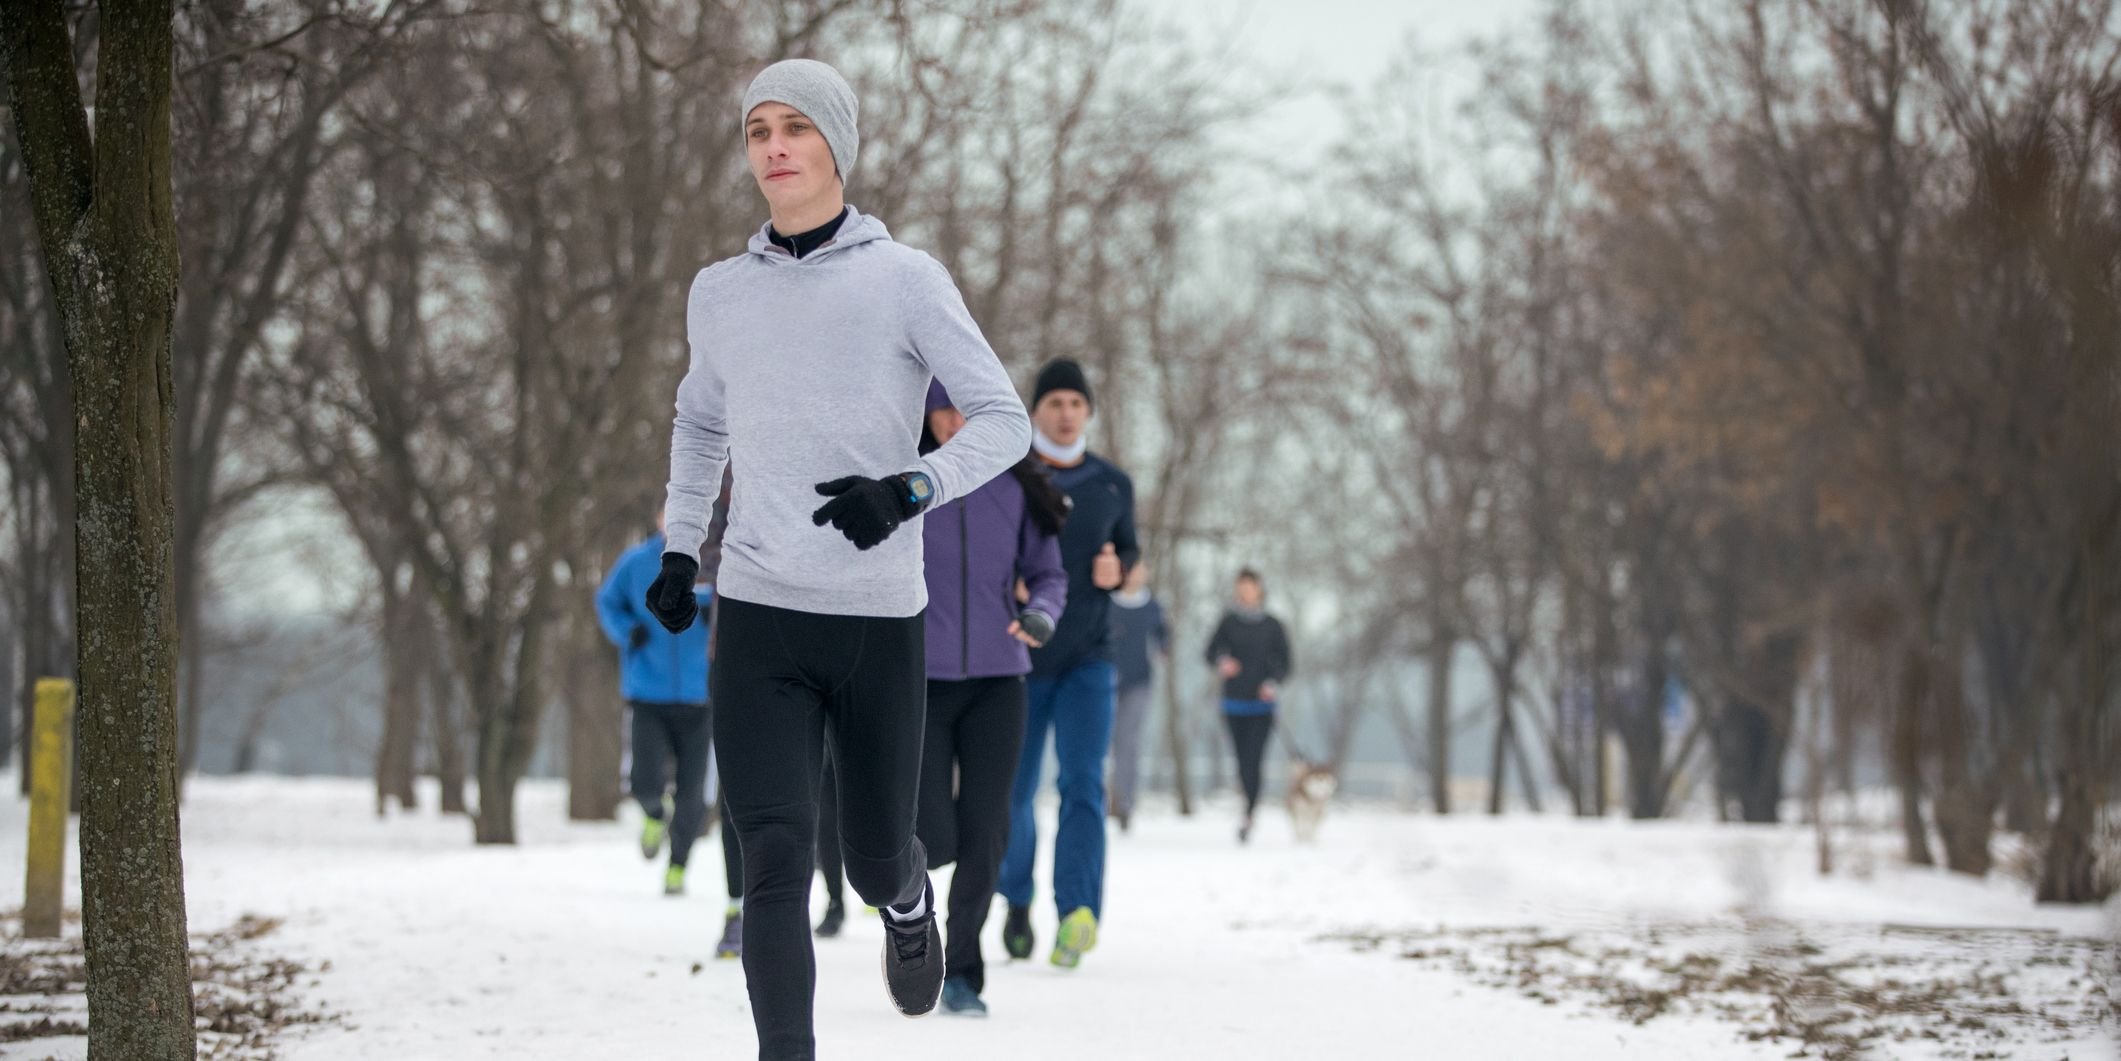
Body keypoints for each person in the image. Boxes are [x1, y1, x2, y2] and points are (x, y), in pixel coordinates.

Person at [652, 58, 1031, 1059]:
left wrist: (910, 489)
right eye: (758, 130)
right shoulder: (719, 293)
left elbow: (1004, 421)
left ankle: (908, 903)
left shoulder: (905, 279)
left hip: (876, 618)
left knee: (870, 858)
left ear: (837, 146)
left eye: (796, 128)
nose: (774, 147)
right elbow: (699, 427)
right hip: (760, 610)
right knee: (773, 852)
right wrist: (680, 547)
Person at [915, 380, 1068, 1016]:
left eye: (963, 409)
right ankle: (910, 931)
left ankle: (964, 968)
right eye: (940, 411)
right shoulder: (906, 484)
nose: (953, 422)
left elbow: (1050, 575)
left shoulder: (1013, 485)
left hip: (999, 681)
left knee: (988, 827)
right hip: (918, 680)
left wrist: (1040, 617)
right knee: (932, 833)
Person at [998, 359, 1139, 970]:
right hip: (1020, 658)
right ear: (1036, 410)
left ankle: (1078, 913)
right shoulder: (1009, 473)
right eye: (1054, 402)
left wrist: (1120, 571)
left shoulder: (1113, 483)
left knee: (1083, 784)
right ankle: (1017, 896)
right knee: (1014, 793)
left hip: (1090, 657)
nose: (1065, 413)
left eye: (1075, 404)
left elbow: (1129, 553)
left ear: (1088, 412)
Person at [594, 510, 746, 960]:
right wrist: (628, 631)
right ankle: (650, 812)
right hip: (648, 693)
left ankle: (677, 867)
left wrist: (712, 622)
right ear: (660, 517)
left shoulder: (711, 563)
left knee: (693, 795)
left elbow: (731, 605)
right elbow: (607, 602)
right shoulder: (636, 561)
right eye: (667, 511)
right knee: (644, 778)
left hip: (701, 697)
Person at [1204, 568, 1293, 844]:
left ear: (1259, 589)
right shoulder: (1228, 623)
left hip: (1262, 706)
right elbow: (1210, 652)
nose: (1244, 592)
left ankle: (1249, 812)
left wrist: (1272, 682)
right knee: (1242, 762)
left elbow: (1286, 662)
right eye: (1240, 587)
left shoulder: (1273, 625)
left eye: (1249, 586)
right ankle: (1247, 805)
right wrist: (1223, 663)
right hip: (1233, 704)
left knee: (1254, 759)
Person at [1105, 562, 1167, 833]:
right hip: (1104, 681)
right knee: (1100, 743)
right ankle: (1100, 798)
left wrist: (1162, 650)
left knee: (1128, 742)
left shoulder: (1152, 607)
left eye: (1141, 569)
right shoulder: (1107, 603)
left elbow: (1164, 638)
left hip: (1139, 683)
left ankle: (1125, 803)